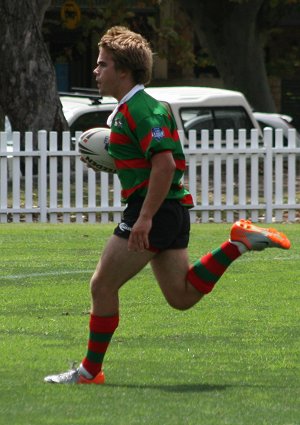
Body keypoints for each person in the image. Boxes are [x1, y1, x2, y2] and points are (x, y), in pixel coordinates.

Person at [44, 26, 291, 385]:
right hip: (169, 209)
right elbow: (150, 161)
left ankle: (89, 372)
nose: (96, 72)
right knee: (181, 295)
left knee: (101, 286)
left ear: (124, 71)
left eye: (103, 65)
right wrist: (111, 158)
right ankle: (237, 242)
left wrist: (143, 219)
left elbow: (165, 164)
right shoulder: (130, 110)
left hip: (153, 210)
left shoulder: (143, 110)